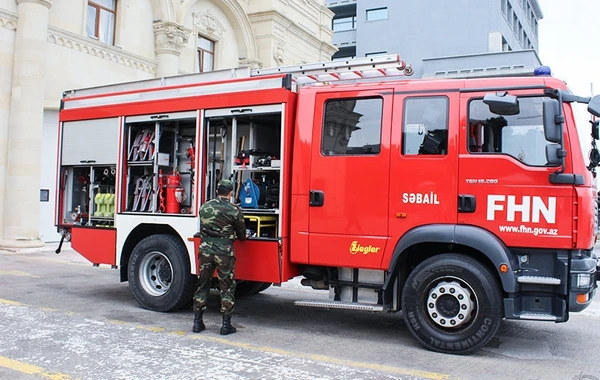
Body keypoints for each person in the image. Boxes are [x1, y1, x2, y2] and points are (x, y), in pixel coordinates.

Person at [193, 179, 247, 335]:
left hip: (205, 251)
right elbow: (242, 235)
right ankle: (226, 325)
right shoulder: (234, 210)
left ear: (217, 191)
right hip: (224, 253)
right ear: (230, 193)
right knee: (227, 287)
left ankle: (197, 322)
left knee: (202, 285)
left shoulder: (204, 207)